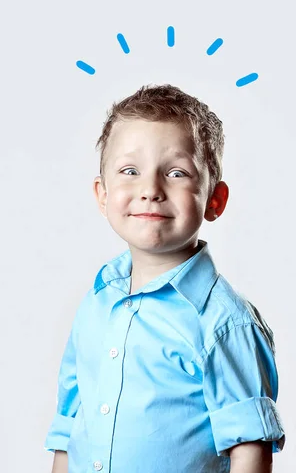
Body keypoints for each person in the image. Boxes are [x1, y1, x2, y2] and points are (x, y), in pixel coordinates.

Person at [44, 84, 285, 473]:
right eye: (130, 171)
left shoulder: (224, 322)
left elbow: (249, 447)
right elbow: (69, 425)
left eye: (176, 173)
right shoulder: (96, 304)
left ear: (214, 200)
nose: (150, 190)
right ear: (102, 195)